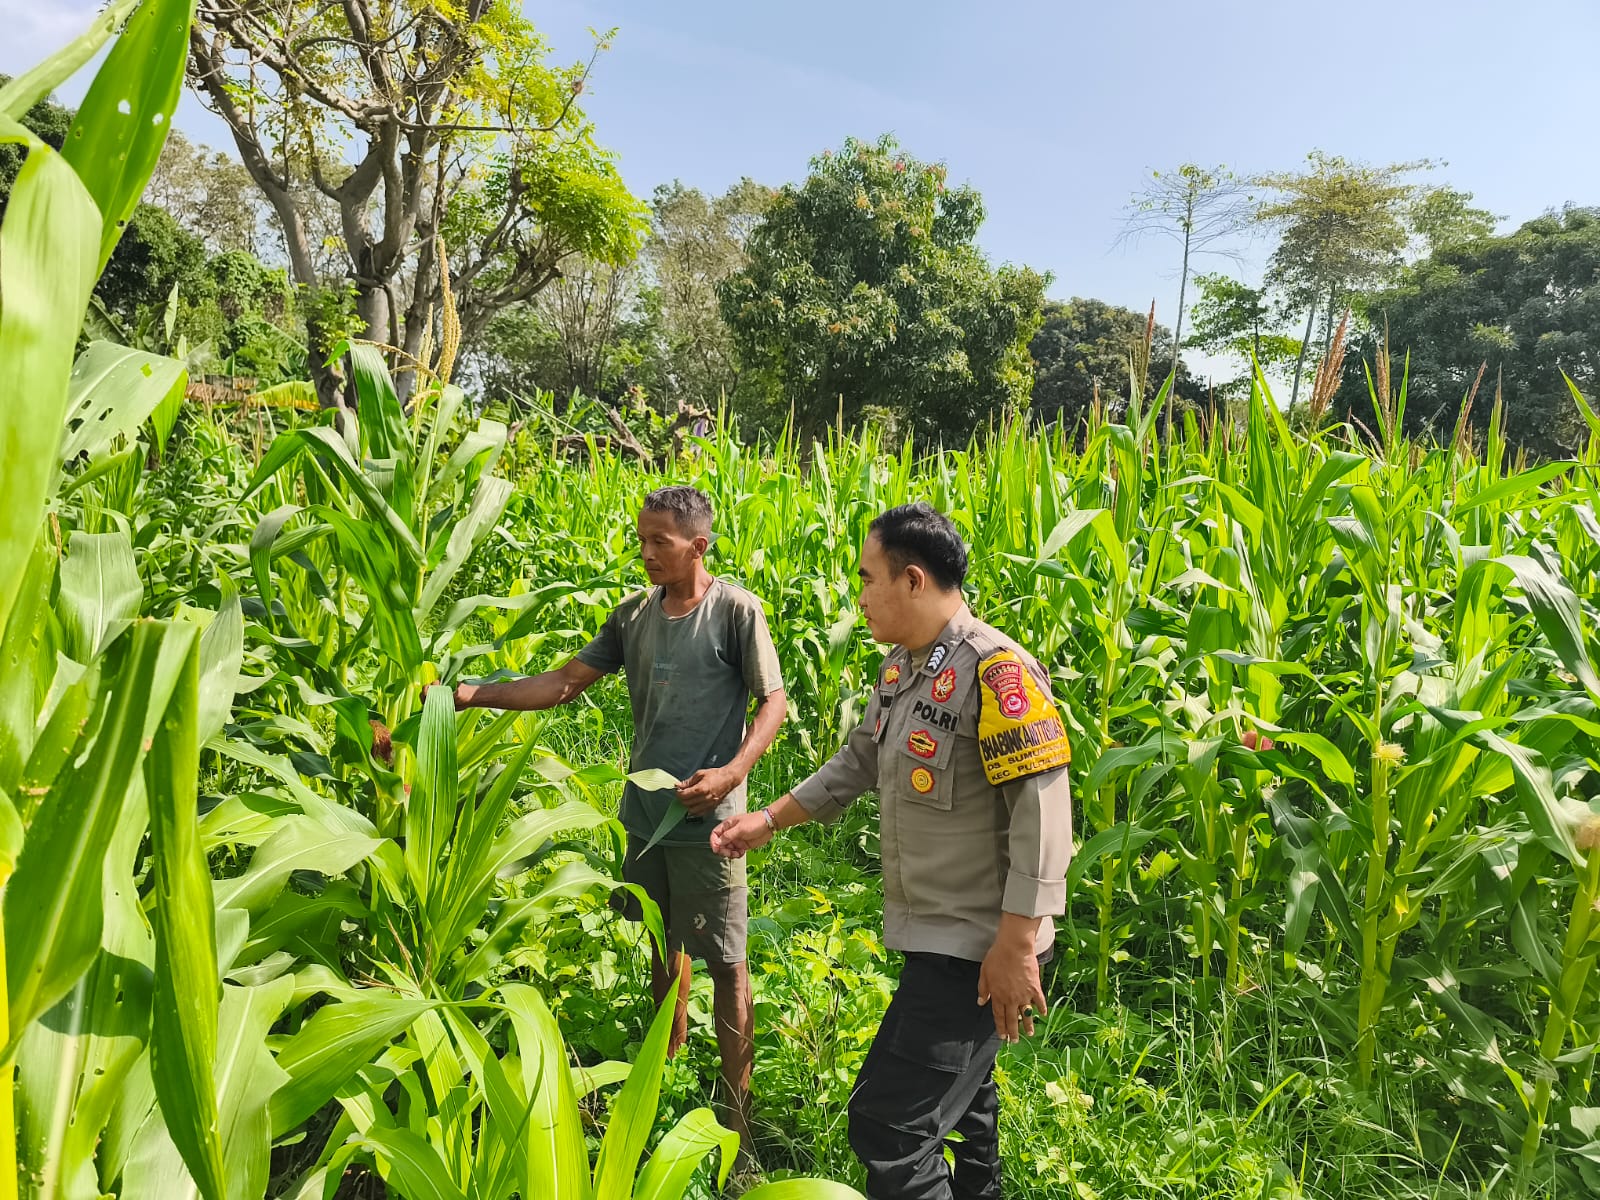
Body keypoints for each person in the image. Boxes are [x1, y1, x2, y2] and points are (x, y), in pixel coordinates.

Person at [711, 502, 1073, 1200]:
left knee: (891, 1128)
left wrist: (1018, 943)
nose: (860, 596)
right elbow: (858, 761)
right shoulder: (904, 669)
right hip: (938, 938)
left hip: (979, 947)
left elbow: (1043, 811)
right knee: (963, 1117)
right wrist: (770, 820)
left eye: (867, 578)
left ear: (912, 580)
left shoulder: (997, 672)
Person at [436, 484, 785, 1157]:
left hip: (710, 824)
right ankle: (663, 1074)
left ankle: (738, 1124)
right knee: (661, 941)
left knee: (727, 964)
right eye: (641, 539)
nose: (646, 552)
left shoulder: (735, 612)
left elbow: (773, 701)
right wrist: (470, 694)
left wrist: (732, 772)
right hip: (645, 815)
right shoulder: (632, 616)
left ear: (698, 546)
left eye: (661, 541)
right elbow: (562, 683)